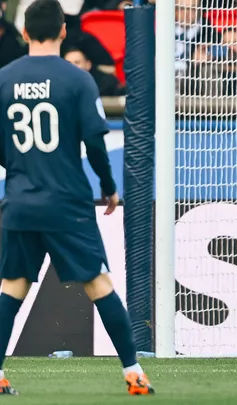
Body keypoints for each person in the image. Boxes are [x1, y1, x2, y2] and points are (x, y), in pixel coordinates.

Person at [0, 0, 153, 395]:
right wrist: (107, 186)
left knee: (12, 288)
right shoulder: (76, 80)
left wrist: (19, 170)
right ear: (63, 31)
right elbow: (94, 142)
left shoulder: (4, 78)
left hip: (19, 201)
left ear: (26, 33)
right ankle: (133, 372)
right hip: (66, 202)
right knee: (99, 286)